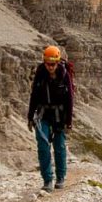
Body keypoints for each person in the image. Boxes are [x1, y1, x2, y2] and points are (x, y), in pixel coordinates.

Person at [27, 45, 73, 192]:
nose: (50, 67)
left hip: (59, 115)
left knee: (59, 146)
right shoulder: (40, 73)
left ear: (58, 62)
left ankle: (60, 177)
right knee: (43, 146)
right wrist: (30, 117)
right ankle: (47, 180)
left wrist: (69, 122)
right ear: (44, 62)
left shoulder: (65, 75)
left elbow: (70, 99)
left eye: (53, 64)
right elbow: (34, 95)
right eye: (48, 64)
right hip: (43, 114)